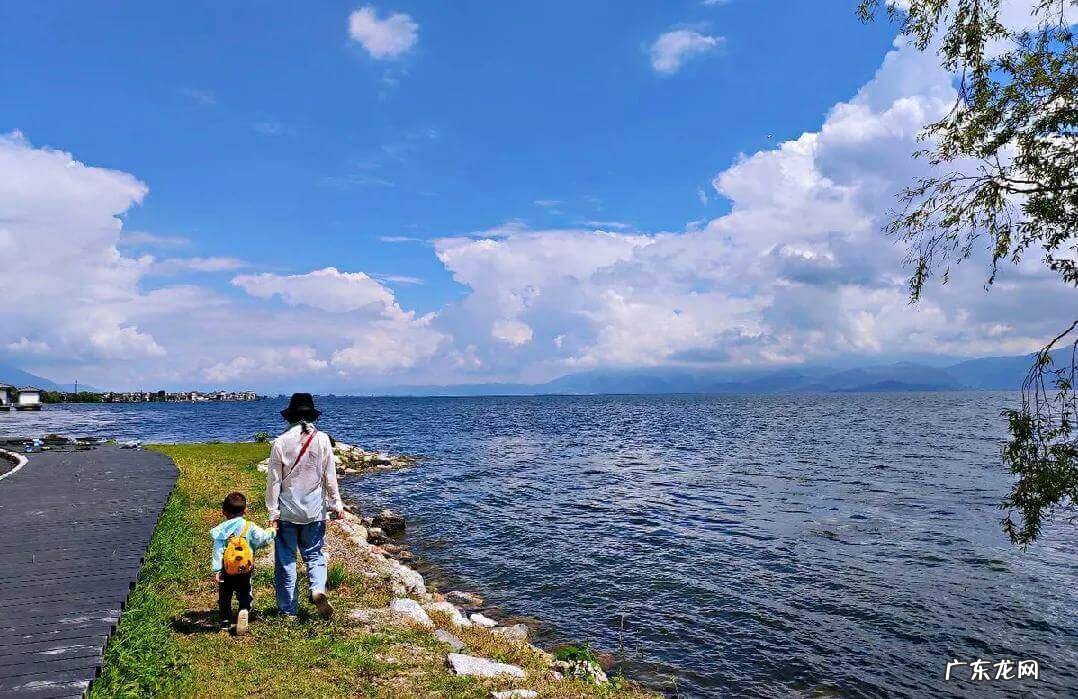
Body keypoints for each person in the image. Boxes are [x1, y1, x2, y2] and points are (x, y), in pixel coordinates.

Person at [266, 392, 344, 619]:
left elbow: (274, 481)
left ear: (290, 416)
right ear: (312, 416)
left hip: (288, 511)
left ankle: (288, 610)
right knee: (315, 555)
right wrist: (336, 504)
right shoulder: (322, 440)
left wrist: (273, 511)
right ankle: (317, 589)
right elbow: (330, 477)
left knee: (286, 560)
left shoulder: (280, 443)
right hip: (314, 511)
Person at [210, 491, 274, 635]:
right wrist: (272, 531)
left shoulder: (222, 530)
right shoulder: (249, 526)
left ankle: (225, 623)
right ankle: (244, 610)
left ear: (224, 512)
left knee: (225, 596)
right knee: (245, 590)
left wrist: (217, 570)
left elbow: (218, 550)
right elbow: (262, 539)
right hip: (245, 568)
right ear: (245, 510)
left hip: (226, 569)